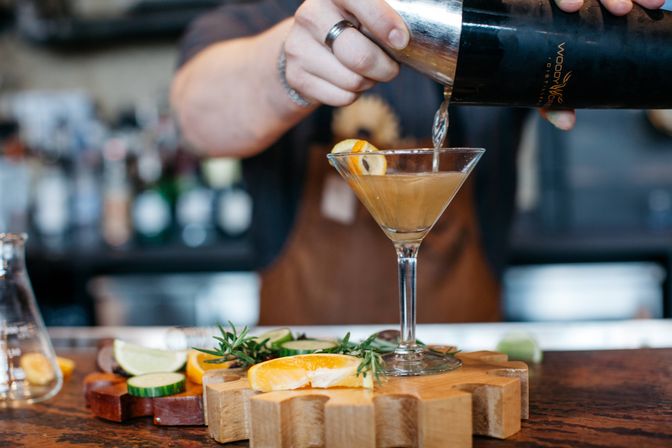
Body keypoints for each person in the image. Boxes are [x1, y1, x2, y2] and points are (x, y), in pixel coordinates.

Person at [171, 0, 664, 325]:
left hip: (467, 385)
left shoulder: (498, 16)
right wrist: (285, 65)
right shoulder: (267, 14)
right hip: (308, 389)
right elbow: (195, 115)